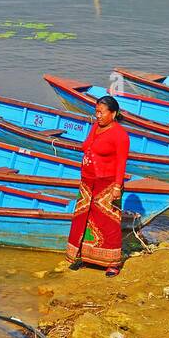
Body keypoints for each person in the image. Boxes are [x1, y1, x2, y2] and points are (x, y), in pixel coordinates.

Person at [65, 95, 130, 276]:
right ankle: (88, 257)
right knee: (85, 220)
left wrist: (117, 186)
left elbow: (121, 163)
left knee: (108, 222)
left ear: (113, 113)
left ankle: (112, 263)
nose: (98, 116)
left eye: (101, 112)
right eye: (96, 112)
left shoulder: (120, 136)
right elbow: (87, 146)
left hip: (107, 183)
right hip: (87, 181)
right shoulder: (95, 127)